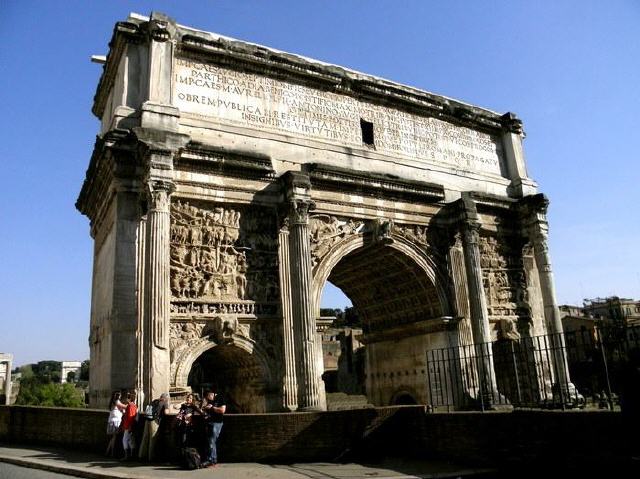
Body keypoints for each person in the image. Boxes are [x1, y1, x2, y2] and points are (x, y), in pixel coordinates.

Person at [138, 392, 172, 462]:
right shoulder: (164, 402)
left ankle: (141, 455)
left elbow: (147, 410)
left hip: (147, 420)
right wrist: (169, 407)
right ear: (166, 398)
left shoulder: (154, 401)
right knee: (152, 439)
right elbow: (166, 413)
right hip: (154, 421)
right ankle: (151, 458)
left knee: (145, 437)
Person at [201, 389, 226, 468]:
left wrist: (212, 408)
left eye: (208, 396)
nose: (208, 398)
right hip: (209, 422)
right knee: (210, 441)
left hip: (217, 423)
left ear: (212, 394)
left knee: (212, 440)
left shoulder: (220, 398)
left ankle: (211, 459)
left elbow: (222, 410)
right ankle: (211, 459)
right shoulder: (209, 400)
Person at [105, 391, 126, 457]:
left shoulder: (113, 402)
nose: (120, 396)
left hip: (112, 421)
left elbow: (121, 409)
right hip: (115, 421)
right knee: (113, 438)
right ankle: (111, 453)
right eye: (119, 395)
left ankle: (108, 452)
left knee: (112, 438)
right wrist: (131, 403)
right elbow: (124, 406)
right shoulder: (116, 401)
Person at [121, 392, 138, 461]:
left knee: (125, 440)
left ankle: (127, 456)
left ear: (129, 398)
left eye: (127, 397)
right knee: (131, 441)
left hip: (128, 426)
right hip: (129, 425)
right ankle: (131, 455)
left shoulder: (130, 406)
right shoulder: (134, 405)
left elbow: (131, 417)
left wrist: (130, 426)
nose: (125, 399)